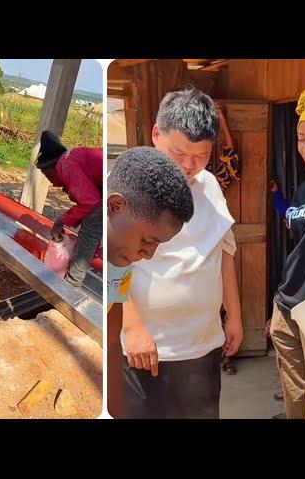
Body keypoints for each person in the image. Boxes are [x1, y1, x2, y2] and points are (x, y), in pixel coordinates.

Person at [122, 87, 242, 419]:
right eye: (179, 153)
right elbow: (111, 259)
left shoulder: (210, 186)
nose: (190, 166)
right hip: (147, 350)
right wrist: (132, 327)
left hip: (203, 347)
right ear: (156, 134)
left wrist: (234, 315)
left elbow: (224, 253)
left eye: (201, 156)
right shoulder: (129, 186)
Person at [106, 146, 194, 418]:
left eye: (158, 245)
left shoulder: (121, 263)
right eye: (147, 240)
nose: (148, 254)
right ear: (115, 206)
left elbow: (111, 337)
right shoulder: (92, 251)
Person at [270, 88, 305, 419]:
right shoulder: (304, 190)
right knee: (295, 390)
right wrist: (275, 198)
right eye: (301, 138)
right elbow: (291, 220)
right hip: (288, 304)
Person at [35, 130, 102, 288]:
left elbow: (90, 202)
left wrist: (61, 220)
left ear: (51, 168)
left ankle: (72, 284)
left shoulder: (66, 166)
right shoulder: (71, 159)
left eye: (46, 175)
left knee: (90, 230)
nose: (50, 181)